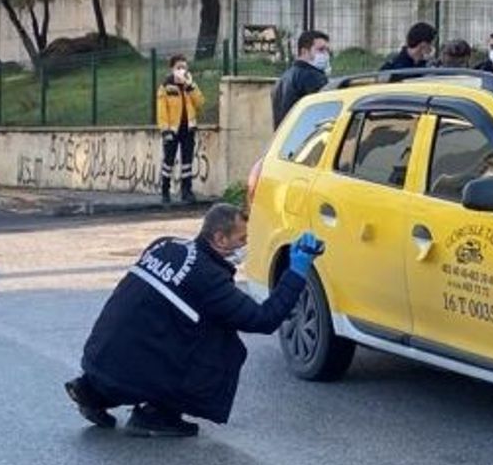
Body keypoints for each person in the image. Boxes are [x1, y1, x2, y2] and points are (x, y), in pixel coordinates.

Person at [65, 204, 324, 437]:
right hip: (133, 363)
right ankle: (158, 414)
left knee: (176, 323)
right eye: (241, 239)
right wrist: (296, 271)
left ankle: (92, 392)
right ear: (220, 238)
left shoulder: (165, 244)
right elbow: (263, 320)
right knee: (224, 346)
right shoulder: (208, 278)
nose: (245, 245)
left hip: (99, 355)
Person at [156, 54, 205, 205]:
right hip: (172, 130)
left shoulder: (189, 85)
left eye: (184, 67)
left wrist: (191, 87)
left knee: (187, 162)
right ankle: (165, 191)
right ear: (172, 69)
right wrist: (165, 130)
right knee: (168, 162)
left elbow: (200, 103)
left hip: (188, 128)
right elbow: (161, 110)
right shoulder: (166, 87)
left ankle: (186, 191)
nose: (182, 70)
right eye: (178, 67)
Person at [271, 30, 331, 129]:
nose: (326, 55)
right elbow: (326, 115)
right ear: (304, 52)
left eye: (327, 50)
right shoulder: (313, 76)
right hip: (308, 139)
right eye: (321, 50)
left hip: (285, 140)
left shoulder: (282, 79)